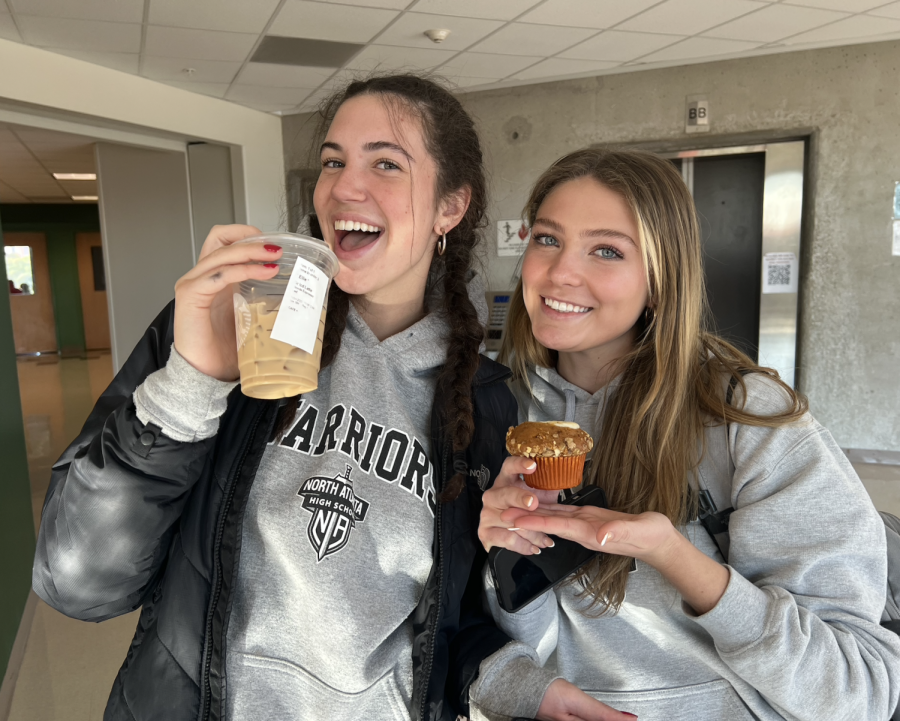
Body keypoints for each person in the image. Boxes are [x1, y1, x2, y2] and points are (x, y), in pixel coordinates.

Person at [32, 75, 519, 721]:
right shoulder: (226, 329)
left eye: (385, 162)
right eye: (332, 161)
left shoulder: (485, 404)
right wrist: (194, 379)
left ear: (449, 208)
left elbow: (456, 625)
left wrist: (519, 681)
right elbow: (77, 581)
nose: (344, 186)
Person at [476, 148, 900, 720]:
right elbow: (514, 646)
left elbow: (860, 693)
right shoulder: (498, 409)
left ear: (660, 280)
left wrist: (680, 561)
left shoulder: (747, 418)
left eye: (606, 250)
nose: (559, 273)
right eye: (547, 239)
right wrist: (511, 557)